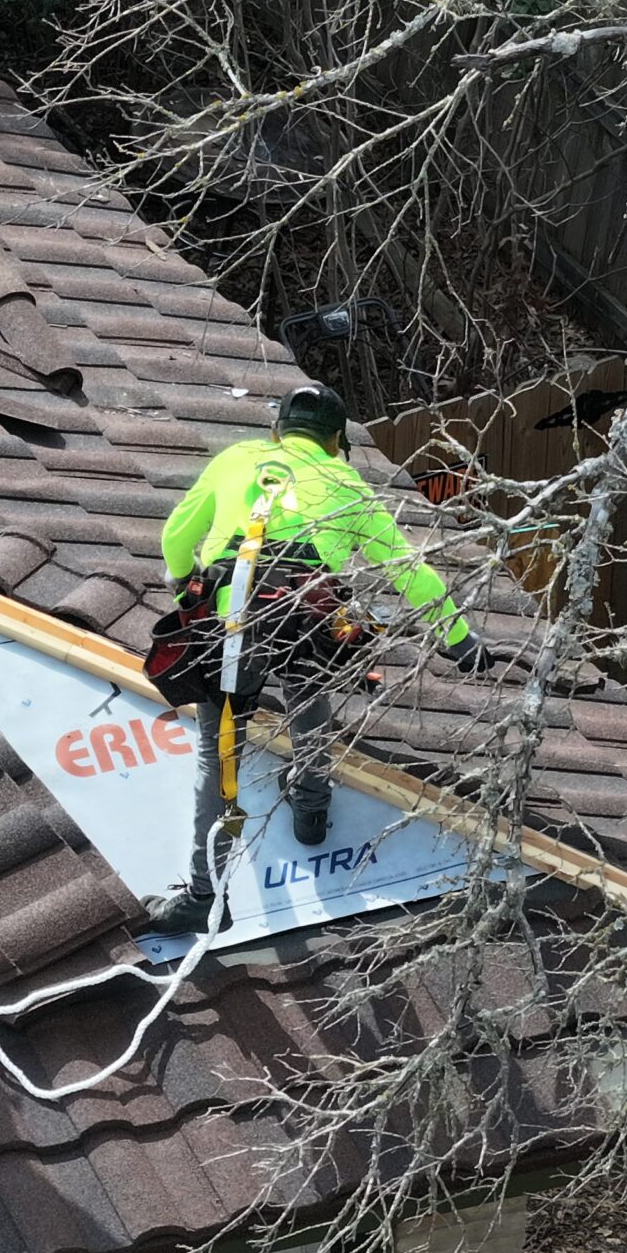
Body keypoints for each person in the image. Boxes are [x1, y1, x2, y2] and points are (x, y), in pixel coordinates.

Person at [149, 381, 494, 934]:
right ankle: (311, 805)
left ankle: (203, 894)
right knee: (309, 680)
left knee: (220, 756)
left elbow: (175, 538)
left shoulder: (239, 459)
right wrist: (458, 638)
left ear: (277, 430)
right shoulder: (347, 483)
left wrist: (187, 584)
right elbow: (407, 568)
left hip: (230, 618)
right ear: (337, 442)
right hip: (303, 619)